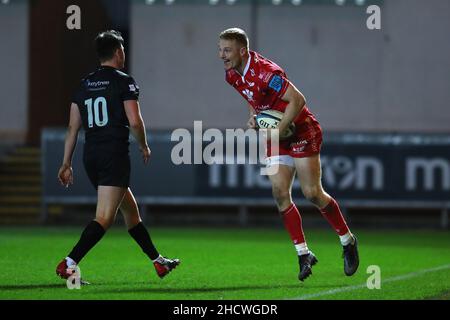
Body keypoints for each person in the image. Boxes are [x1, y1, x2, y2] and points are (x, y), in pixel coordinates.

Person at [218, 28, 359, 281]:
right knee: (279, 192)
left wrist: (278, 130)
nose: (221, 55)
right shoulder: (231, 75)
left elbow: (298, 100)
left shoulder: (266, 72)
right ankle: (303, 254)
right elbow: (252, 97)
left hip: (302, 129)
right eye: (220, 50)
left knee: (312, 194)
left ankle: (347, 240)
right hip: (276, 134)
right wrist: (254, 116)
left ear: (242, 51)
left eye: (226, 50)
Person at [56, 30, 179, 283]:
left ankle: (158, 262)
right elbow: (135, 121)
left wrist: (66, 162)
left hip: (91, 156)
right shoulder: (124, 81)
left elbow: (72, 128)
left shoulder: (84, 83)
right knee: (104, 218)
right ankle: (68, 264)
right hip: (114, 154)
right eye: (123, 49)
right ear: (118, 52)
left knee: (131, 213)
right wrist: (144, 145)